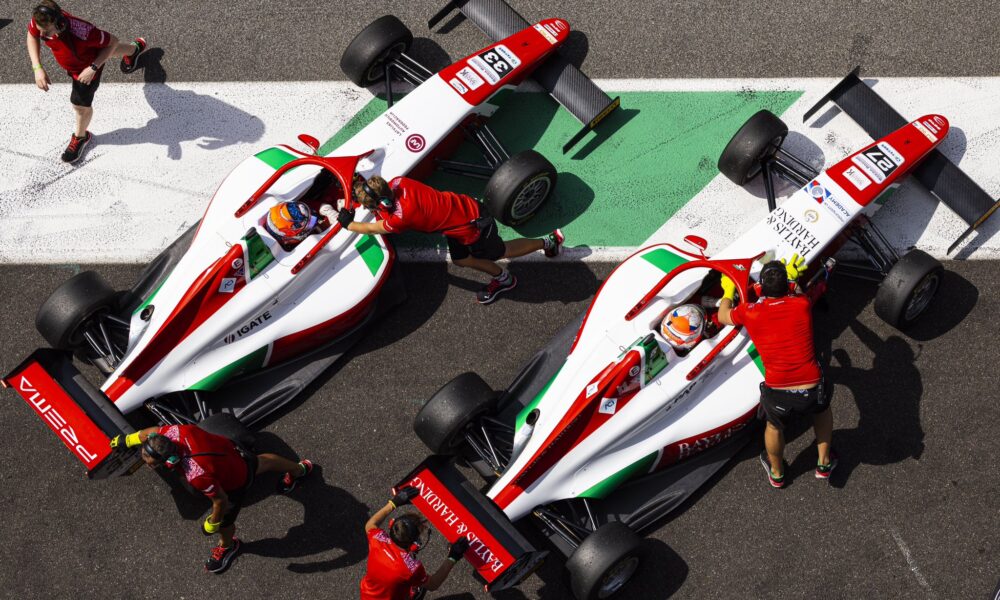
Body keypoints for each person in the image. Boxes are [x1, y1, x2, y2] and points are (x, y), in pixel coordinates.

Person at [109, 425, 315, 573]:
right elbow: (149, 433)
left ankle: (228, 546)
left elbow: (220, 500)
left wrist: (212, 523)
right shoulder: (174, 432)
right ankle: (300, 469)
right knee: (262, 462)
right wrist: (127, 440)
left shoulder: (196, 475)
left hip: (237, 479)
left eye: (152, 463)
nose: (149, 465)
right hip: (231, 449)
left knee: (226, 521)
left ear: (171, 461)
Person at [338, 175, 565, 304]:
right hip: (459, 219)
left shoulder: (401, 218)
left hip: (473, 227)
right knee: (461, 260)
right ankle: (503, 276)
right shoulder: (399, 182)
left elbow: (370, 228)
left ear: (382, 203)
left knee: (501, 251)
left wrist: (348, 224)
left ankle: (548, 243)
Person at [717, 254, 836, 488]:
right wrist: (791, 278)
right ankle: (824, 463)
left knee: (773, 426)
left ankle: (777, 473)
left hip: (778, 390)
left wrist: (727, 292)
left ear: (760, 287)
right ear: (788, 286)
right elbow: (798, 290)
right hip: (812, 387)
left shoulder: (750, 312)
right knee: (822, 412)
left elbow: (723, 316)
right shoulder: (801, 304)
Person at [26, 1, 148, 163]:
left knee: (79, 105)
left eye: (47, 32)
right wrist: (37, 67)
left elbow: (113, 41)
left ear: (60, 24)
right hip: (83, 57)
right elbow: (32, 35)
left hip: (85, 71)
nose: (43, 36)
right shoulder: (41, 21)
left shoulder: (85, 33)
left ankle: (81, 137)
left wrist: (93, 67)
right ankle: (135, 50)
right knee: (105, 49)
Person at [360, 486, 470, 600]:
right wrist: (453, 557)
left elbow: (370, 525)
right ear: (412, 541)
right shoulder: (411, 569)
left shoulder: (377, 540)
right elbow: (433, 584)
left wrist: (393, 503)